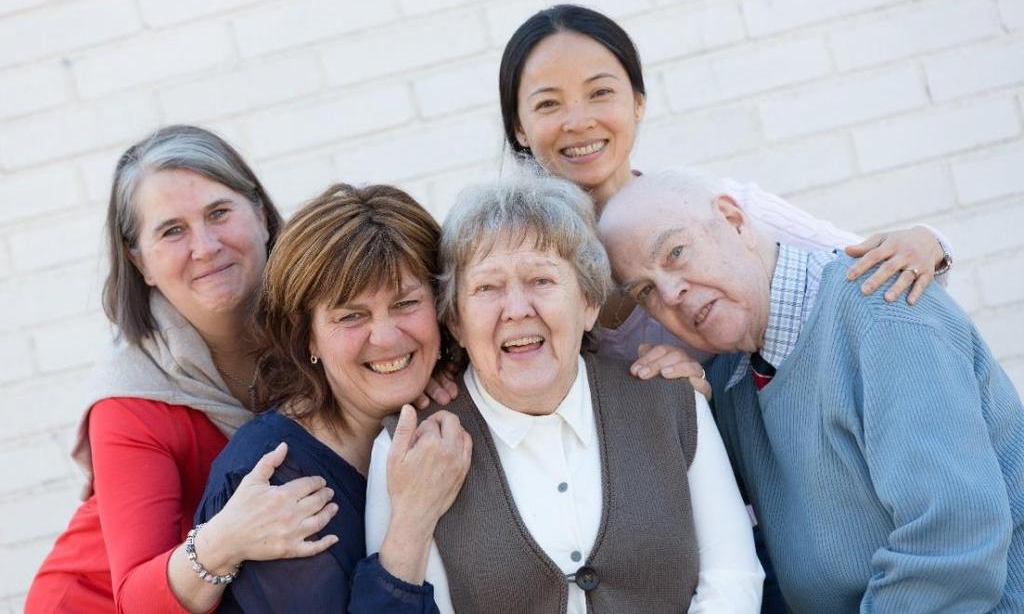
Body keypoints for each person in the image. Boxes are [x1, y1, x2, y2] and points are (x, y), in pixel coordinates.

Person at [598, 169, 1024, 612]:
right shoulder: (733, 379)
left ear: (734, 221)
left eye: (676, 253)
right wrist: (685, 413)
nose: (671, 293)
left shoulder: (882, 311)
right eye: (645, 290)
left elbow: (952, 539)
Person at [367, 175, 765, 613]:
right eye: (487, 287)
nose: (517, 309)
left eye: (541, 280)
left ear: (589, 303)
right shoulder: (406, 448)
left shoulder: (671, 402)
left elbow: (732, 579)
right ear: (456, 321)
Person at [493, 3, 954, 374]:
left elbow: (854, 267)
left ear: (637, 103)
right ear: (519, 128)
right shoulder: (516, 255)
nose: (579, 121)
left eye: (600, 93)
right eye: (549, 103)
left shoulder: (711, 209)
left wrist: (927, 241)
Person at [26, 126, 339, 614]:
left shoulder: (315, 327)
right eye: (172, 230)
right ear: (140, 261)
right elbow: (133, 597)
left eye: (219, 213)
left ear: (260, 213)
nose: (206, 246)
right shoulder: (131, 399)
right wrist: (225, 539)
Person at [196, 183, 470, 612]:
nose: (386, 337)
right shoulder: (275, 478)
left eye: (405, 303)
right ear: (307, 336)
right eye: (351, 316)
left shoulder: (455, 410)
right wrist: (412, 518)